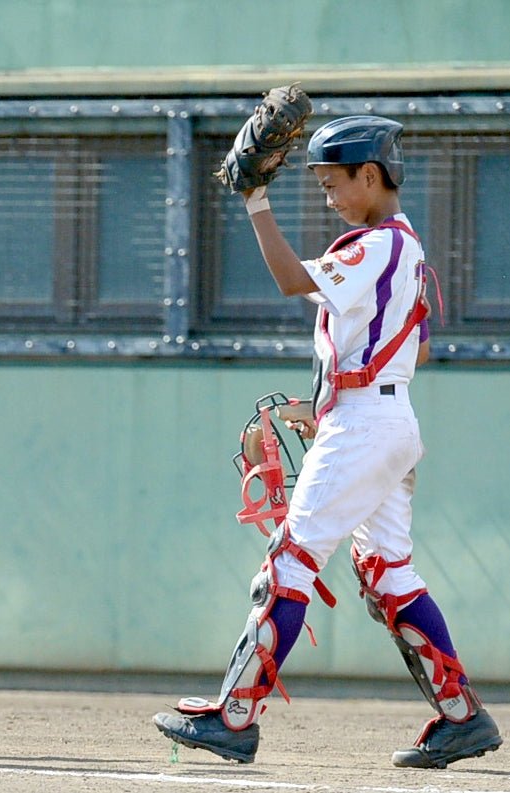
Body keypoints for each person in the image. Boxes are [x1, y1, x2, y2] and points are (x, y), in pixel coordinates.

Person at [152, 116, 502, 769]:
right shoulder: (404, 247)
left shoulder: (373, 245)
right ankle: (460, 716)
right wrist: (337, 405)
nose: (326, 195)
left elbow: (289, 278)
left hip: (368, 425)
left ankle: (235, 716)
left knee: (288, 560)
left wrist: (254, 200)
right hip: (381, 419)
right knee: (387, 573)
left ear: (369, 175)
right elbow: (410, 346)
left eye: (332, 180)